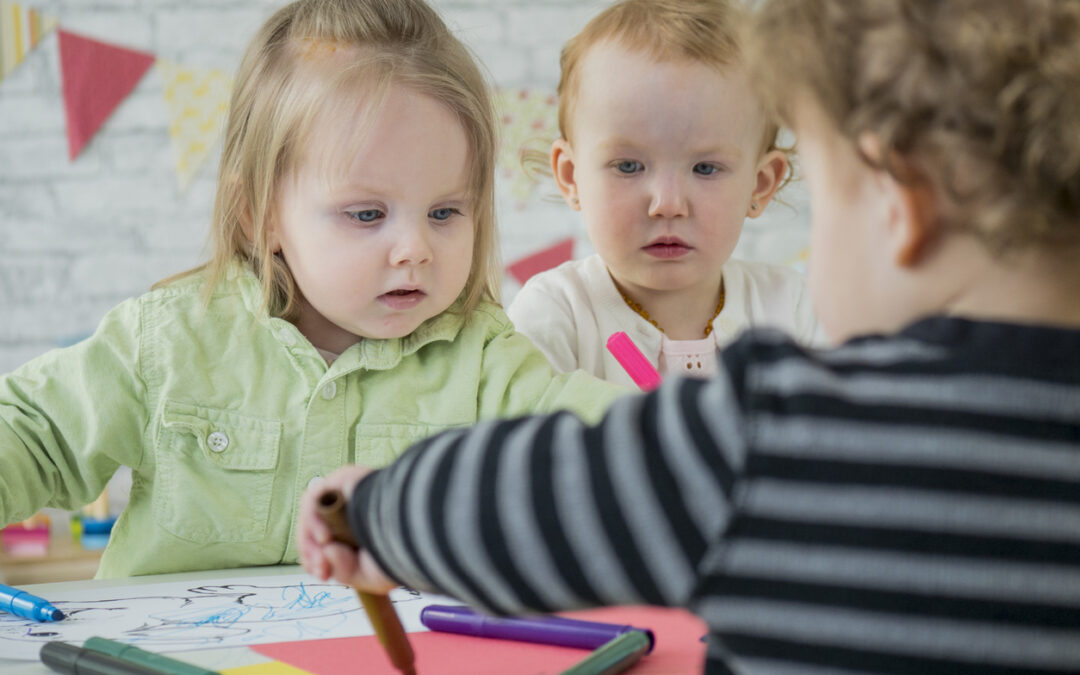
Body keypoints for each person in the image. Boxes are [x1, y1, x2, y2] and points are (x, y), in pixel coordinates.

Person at [298, 0, 1080, 672]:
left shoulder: (778, 432)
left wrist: (375, 511)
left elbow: (532, 499)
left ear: (898, 208)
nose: (667, 201)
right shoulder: (558, 308)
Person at [0, 0, 625, 579]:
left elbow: (603, 451)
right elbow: (31, 434)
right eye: (366, 215)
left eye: (444, 213)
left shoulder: (486, 362)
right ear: (261, 216)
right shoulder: (166, 342)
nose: (416, 249)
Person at [507, 0, 822, 388]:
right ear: (572, 176)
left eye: (705, 168)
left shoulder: (793, 309)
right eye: (628, 166)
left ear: (760, 184)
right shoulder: (555, 314)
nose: (668, 205)